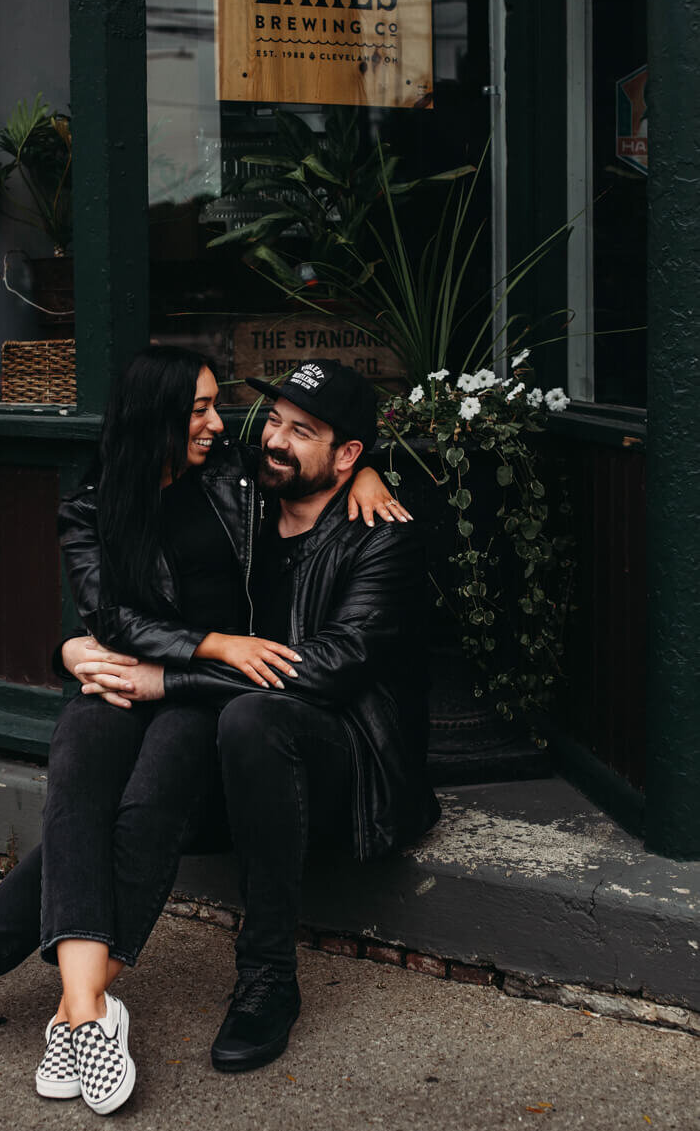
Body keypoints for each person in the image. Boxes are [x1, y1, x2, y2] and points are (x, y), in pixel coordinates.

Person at [0, 347, 401, 1110]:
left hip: (214, 705)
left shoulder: (236, 475)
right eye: (201, 411)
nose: (227, 427)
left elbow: (316, 477)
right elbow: (113, 620)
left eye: (221, 409)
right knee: (81, 759)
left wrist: (370, 472)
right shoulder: (97, 505)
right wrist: (76, 652)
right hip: (166, 681)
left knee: (147, 797)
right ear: (154, 419)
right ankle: (64, 1008)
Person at [73, 358, 440, 1072]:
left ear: (348, 455)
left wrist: (171, 682)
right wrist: (73, 649)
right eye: (272, 420)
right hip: (237, 765)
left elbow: (328, 669)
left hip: (345, 768)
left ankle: (268, 973)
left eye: (303, 432)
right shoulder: (241, 501)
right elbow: (121, 497)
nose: (275, 440)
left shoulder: (383, 537)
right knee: (99, 753)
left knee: (254, 718)